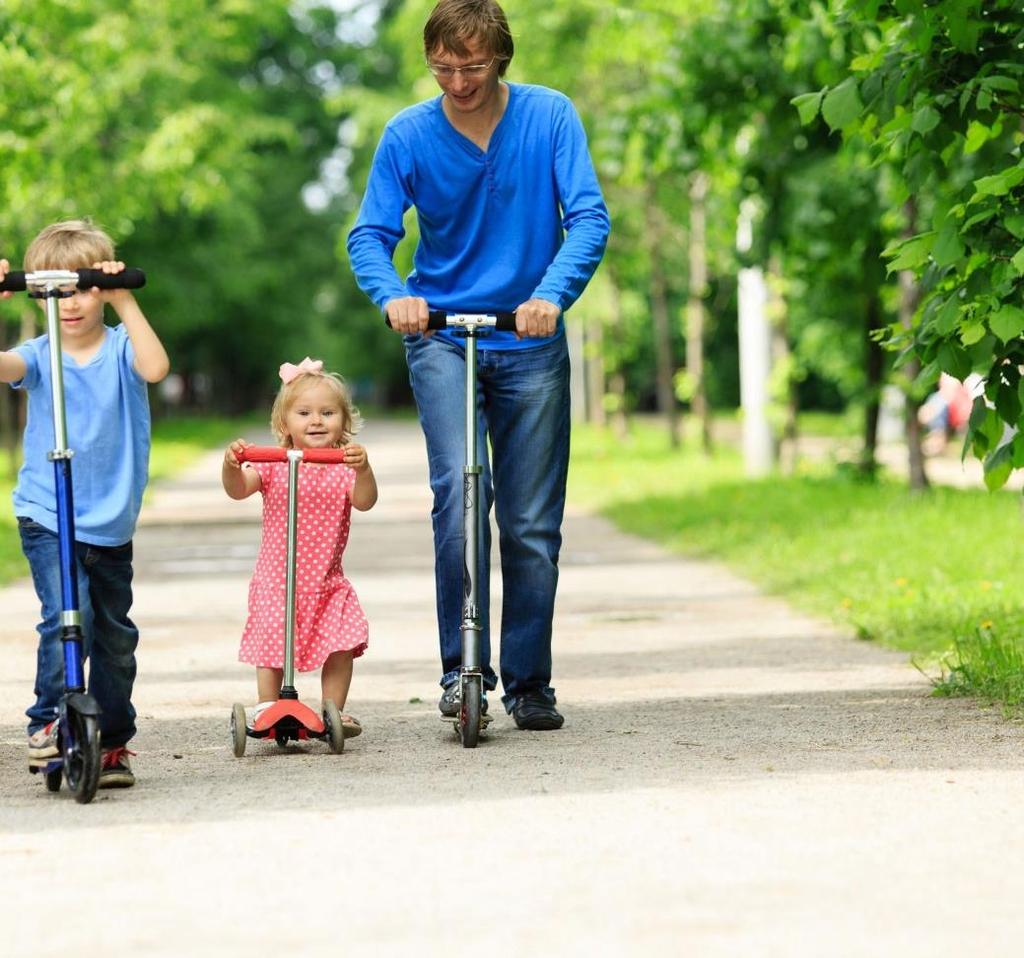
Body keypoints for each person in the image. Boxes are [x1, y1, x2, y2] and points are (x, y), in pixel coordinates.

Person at [347, 0, 609, 730]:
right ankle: (462, 672)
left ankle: (529, 682)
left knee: (528, 522)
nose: (457, 81)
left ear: (501, 60)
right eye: (442, 67)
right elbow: (369, 234)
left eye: (472, 66)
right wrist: (396, 294)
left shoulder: (550, 117)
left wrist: (550, 295)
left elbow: (588, 217)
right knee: (461, 500)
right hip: (441, 336)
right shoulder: (407, 134)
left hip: (527, 337)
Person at [0, 219, 170, 788]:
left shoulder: (123, 347)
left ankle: (113, 739)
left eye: (83, 287)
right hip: (50, 513)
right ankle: (49, 720)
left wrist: (125, 300)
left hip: (110, 517)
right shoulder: (39, 354)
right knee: (66, 618)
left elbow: (156, 368)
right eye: (54, 291)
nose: (68, 304)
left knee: (114, 637)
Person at [222, 358, 378, 734]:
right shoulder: (275, 464)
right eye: (304, 413)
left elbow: (365, 500)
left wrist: (363, 469)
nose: (316, 421)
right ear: (284, 423)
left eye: (328, 413)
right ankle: (267, 707)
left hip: (326, 582)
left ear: (344, 420)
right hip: (278, 580)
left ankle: (333, 710)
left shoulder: (343, 465)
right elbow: (238, 489)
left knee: (343, 643)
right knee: (272, 643)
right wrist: (231, 465)